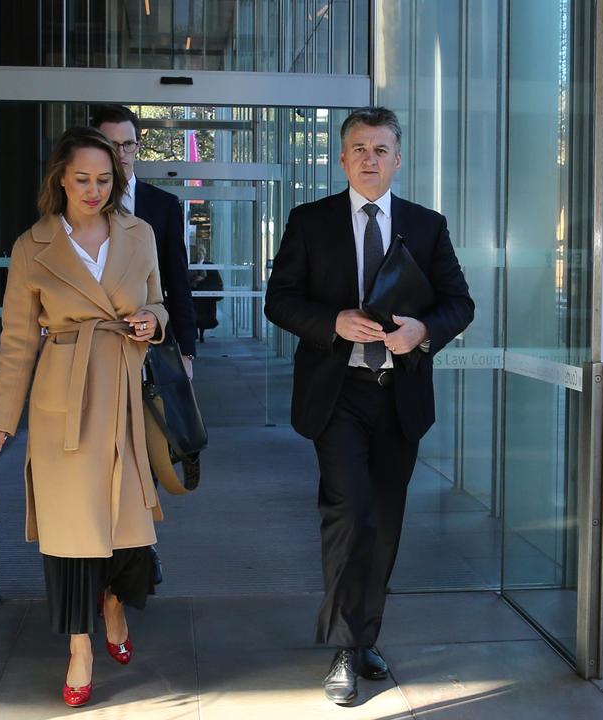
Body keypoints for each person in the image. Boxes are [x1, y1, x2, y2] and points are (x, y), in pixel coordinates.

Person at [263, 107, 475, 706]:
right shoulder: (310, 222)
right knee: (349, 513)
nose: (369, 159)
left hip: (400, 394)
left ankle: (363, 638)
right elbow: (279, 300)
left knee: (383, 521)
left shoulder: (427, 226)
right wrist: (330, 321)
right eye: (358, 148)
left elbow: (460, 303)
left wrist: (421, 332)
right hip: (338, 394)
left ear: (398, 158)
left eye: (381, 149)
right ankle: (343, 649)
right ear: (341, 157)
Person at [0, 126, 167, 709]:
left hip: (125, 397)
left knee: (128, 529)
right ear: (60, 177)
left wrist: (151, 322)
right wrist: (1, 417)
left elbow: (160, 301)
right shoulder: (31, 246)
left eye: (104, 179)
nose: (93, 189)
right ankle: (80, 646)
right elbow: (16, 340)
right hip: (65, 396)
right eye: (82, 178)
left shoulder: (140, 233)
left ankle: (113, 602)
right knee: (70, 534)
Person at [93, 104, 196, 586]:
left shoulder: (161, 206)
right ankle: (109, 551)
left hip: (151, 353)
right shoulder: (75, 207)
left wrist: (187, 351)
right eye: (110, 144)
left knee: (148, 449)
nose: (121, 154)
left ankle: (139, 549)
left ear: (138, 147)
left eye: (128, 144)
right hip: (94, 358)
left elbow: (178, 281)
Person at [189, 244, 223, 343]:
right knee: (194, 315)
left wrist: (204, 281)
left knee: (203, 317)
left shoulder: (210, 265)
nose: (199, 255)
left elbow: (215, 280)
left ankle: (201, 335)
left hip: (205, 298)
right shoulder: (192, 264)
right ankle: (195, 334)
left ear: (204, 254)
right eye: (198, 253)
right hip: (194, 295)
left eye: (201, 253)